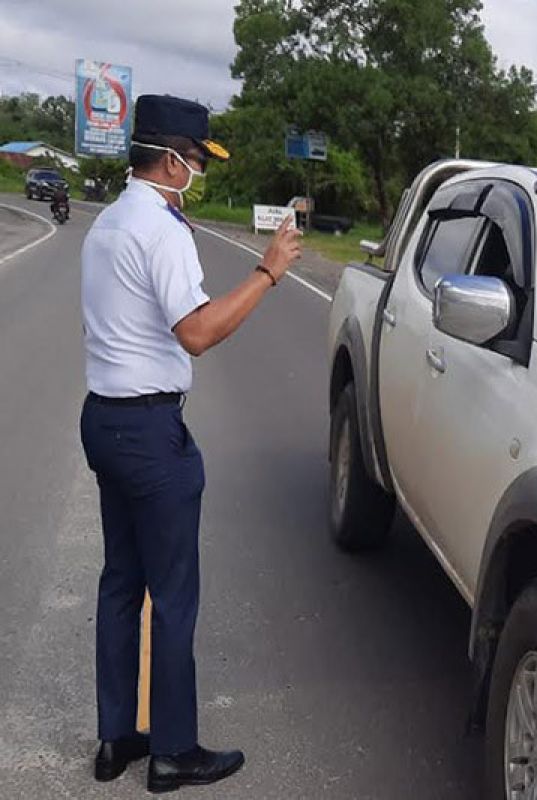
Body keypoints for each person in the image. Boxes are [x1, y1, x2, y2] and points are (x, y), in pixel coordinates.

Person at [79, 95, 303, 793]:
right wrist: (268, 272)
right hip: (150, 431)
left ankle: (117, 737)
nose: (198, 172)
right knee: (172, 596)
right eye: (198, 160)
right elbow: (198, 332)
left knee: (121, 582)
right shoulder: (161, 229)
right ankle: (173, 750)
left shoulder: (109, 222)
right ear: (171, 158)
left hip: (103, 420)